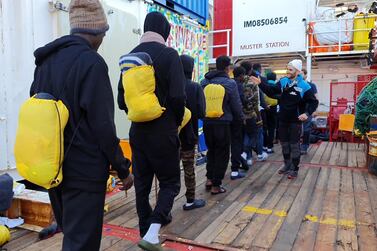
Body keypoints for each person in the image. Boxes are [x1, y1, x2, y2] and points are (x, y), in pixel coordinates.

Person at [30, 1, 133, 250]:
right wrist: (123, 169)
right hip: (83, 172)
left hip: (52, 168)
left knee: (72, 234)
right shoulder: (92, 63)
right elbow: (103, 127)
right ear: (95, 31)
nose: (103, 40)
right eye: (104, 34)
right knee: (81, 243)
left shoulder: (45, 63)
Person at [118, 12, 186, 250]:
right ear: (165, 32)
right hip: (163, 130)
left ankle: (145, 231)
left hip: (137, 131)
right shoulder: (170, 55)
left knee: (142, 184)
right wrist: (175, 121)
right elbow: (178, 95)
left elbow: (121, 101)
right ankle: (153, 232)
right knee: (170, 183)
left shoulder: (130, 58)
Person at [256, 59, 318, 179]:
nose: (287, 72)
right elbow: (271, 92)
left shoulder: (304, 86)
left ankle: (294, 169)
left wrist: (307, 113)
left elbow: (313, 102)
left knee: (294, 145)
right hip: (283, 119)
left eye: (290, 70)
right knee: (284, 144)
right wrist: (261, 84)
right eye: (287, 69)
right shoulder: (283, 81)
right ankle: (287, 165)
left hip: (295, 120)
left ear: (298, 71)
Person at [201, 56, 243, 194]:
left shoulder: (204, 81)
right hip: (223, 122)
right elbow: (236, 105)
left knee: (211, 150)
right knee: (223, 153)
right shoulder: (230, 83)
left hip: (207, 122)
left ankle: (209, 179)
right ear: (228, 68)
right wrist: (240, 118)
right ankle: (216, 185)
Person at [179, 55, 206, 210]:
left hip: (171, 136)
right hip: (189, 134)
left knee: (169, 171)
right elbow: (202, 112)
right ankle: (190, 200)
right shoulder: (195, 87)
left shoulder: (169, 85)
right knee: (189, 169)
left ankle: (166, 203)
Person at [240, 61, 268, 163]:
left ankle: (248, 157)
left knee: (246, 134)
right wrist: (259, 116)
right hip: (252, 113)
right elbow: (256, 101)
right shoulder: (253, 82)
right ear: (250, 70)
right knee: (258, 134)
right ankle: (259, 154)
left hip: (240, 114)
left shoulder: (237, 81)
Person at [230, 66, 248, 179]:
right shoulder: (238, 85)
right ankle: (235, 170)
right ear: (241, 75)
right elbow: (241, 102)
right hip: (236, 119)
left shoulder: (229, 83)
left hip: (225, 118)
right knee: (237, 144)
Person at [301, 68, 319, 154]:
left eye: (301, 74)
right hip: (297, 110)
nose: (299, 76)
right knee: (296, 129)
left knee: (306, 129)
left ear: (305, 75)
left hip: (308, 110)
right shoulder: (294, 85)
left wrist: (314, 110)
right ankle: (296, 147)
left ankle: (304, 147)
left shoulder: (312, 85)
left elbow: (316, 98)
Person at [263, 72, 279, 153]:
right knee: (272, 128)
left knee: (264, 127)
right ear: (275, 78)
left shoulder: (263, 85)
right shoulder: (277, 86)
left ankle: (264, 146)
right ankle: (270, 147)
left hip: (264, 108)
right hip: (274, 108)